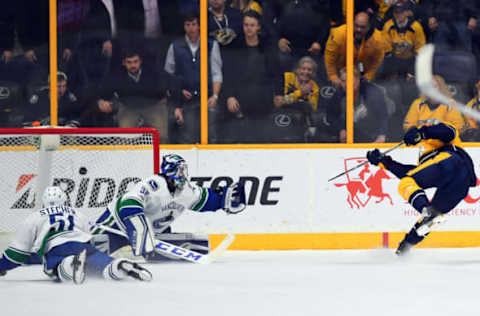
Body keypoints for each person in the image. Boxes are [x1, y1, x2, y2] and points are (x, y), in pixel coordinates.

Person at [90, 154, 246, 261]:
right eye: (180, 170)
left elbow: (203, 199)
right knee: (90, 253)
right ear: (170, 171)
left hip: (153, 233)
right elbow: (127, 203)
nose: (184, 175)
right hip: (116, 224)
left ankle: (136, 248)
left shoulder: (186, 191)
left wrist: (222, 201)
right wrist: (140, 229)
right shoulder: (154, 184)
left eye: (184, 170)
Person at [366, 120, 476, 255]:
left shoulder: (440, 134)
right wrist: (384, 162)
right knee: (430, 218)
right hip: (460, 184)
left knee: (406, 185)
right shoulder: (426, 152)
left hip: (452, 162)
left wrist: (422, 133)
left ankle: (425, 210)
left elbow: (448, 132)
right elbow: (413, 173)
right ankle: (404, 248)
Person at [0, 186, 152, 283]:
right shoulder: (77, 213)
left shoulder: (35, 216)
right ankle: (118, 266)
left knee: (55, 269)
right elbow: (91, 237)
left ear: (43, 202)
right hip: (83, 244)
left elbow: (17, 254)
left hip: (57, 247)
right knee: (102, 265)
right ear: (65, 201)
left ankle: (68, 265)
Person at [93, 48, 174, 143]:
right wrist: (101, 101)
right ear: (124, 63)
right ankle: (129, 157)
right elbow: (102, 92)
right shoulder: (116, 75)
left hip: (154, 105)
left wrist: (176, 104)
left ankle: (162, 156)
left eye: (136, 62)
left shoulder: (153, 72)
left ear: (140, 61)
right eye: (129, 62)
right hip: (128, 106)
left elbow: (169, 84)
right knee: (125, 138)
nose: (133, 65)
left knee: (162, 136)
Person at [164, 13, 223, 144]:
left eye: (194, 24)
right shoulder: (175, 46)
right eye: (187, 25)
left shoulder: (211, 45)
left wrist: (215, 95)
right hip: (186, 100)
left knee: (211, 135)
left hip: (207, 98)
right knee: (187, 136)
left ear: (200, 26)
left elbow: (216, 73)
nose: (191, 28)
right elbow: (169, 75)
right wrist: (178, 93)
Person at [220, 10, 275, 143]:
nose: (248, 28)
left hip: (262, 101)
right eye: (246, 25)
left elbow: (275, 72)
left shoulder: (267, 46)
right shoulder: (235, 46)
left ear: (258, 27)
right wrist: (229, 96)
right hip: (240, 101)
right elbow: (227, 74)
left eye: (252, 25)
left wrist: (277, 93)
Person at [325, 66, 388, 143]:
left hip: (371, 137)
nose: (346, 84)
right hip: (349, 138)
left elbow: (383, 116)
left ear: (358, 79)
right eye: (343, 81)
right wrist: (341, 129)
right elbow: (330, 115)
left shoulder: (372, 91)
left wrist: (382, 135)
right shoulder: (339, 94)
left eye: (350, 80)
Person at [325, 11, 385, 87]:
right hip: (339, 70)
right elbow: (329, 56)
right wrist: (333, 76)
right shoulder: (338, 34)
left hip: (362, 73)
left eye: (362, 27)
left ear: (369, 26)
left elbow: (378, 60)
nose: (358, 29)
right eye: (356, 26)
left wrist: (368, 76)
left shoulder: (378, 39)